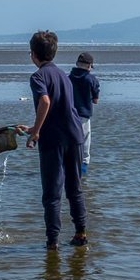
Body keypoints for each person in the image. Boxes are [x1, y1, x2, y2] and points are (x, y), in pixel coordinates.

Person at [16, 31, 88, 250]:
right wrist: (32, 128)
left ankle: (52, 242)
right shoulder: (63, 75)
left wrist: (35, 132)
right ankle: (81, 233)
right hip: (74, 136)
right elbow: (60, 109)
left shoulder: (38, 76)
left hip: (53, 140)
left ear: (33, 55)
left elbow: (46, 102)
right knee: (74, 188)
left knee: (52, 193)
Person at [68, 51, 100, 176]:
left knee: (70, 141)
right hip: (84, 115)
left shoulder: (68, 78)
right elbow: (95, 100)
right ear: (89, 66)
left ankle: (68, 166)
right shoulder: (92, 79)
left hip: (69, 114)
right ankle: (82, 169)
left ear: (76, 64)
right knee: (85, 142)